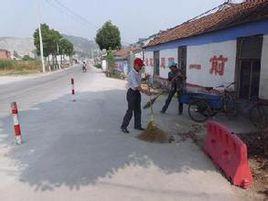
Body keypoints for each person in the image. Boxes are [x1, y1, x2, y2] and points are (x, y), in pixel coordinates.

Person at [121, 58, 148, 134]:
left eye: (141, 66)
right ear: (135, 65)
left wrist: (145, 79)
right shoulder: (131, 74)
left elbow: (139, 81)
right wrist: (146, 92)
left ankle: (137, 125)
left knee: (138, 110)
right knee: (130, 111)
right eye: (140, 66)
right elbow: (136, 86)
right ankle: (123, 126)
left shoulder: (138, 72)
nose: (141, 67)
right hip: (131, 93)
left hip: (137, 93)